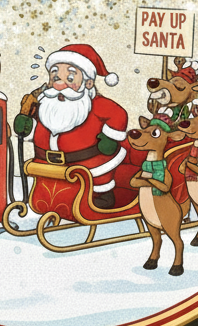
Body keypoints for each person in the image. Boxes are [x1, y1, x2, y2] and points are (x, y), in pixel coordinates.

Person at [13, 42, 128, 209]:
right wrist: (25, 115)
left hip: (88, 167)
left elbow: (118, 114)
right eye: (55, 77)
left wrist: (110, 138)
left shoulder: (97, 105)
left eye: (71, 78)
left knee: (97, 184)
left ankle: (102, 196)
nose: (60, 85)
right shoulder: (45, 105)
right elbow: (27, 129)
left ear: (88, 83)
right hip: (47, 168)